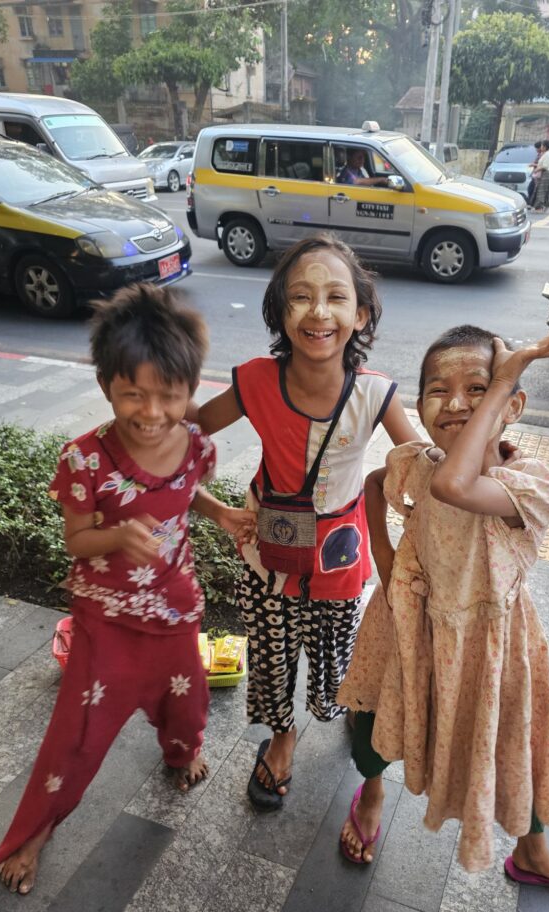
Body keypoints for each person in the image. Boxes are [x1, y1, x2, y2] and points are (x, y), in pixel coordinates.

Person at [0, 283, 256, 895]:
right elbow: (77, 541)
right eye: (132, 394)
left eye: (168, 395)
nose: (151, 411)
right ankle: (34, 832)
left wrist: (222, 516)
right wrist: (117, 537)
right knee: (79, 736)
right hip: (106, 623)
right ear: (106, 385)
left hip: (176, 610)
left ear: (190, 391)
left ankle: (182, 753)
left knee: (186, 705)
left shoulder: (196, 445)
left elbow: (186, 493)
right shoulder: (84, 461)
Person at [337, 317, 549, 900]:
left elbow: (457, 487)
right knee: (371, 725)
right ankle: (372, 793)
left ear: (512, 405)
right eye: (438, 389)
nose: (455, 402)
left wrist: (507, 381)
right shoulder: (418, 463)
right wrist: (389, 573)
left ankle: (532, 851)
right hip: (408, 626)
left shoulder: (527, 484)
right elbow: (372, 490)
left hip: (492, 645)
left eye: (478, 388)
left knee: (516, 741)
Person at [193, 233, 417, 810]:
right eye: (301, 297)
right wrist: (213, 509)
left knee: (333, 660)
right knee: (269, 655)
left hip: (340, 561)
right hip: (265, 555)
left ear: (360, 313)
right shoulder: (255, 381)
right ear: (280, 311)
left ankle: (330, 708)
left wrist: (486, 456)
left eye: (336, 297)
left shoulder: (376, 395)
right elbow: (175, 440)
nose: (319, 312)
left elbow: (425, 472)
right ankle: (282, 736)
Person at [532, 140, 549, 212]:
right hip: (544, 173)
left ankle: (539, 207)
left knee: (542, 191)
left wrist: (536, 170)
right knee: (540, 190)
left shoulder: (548, 155)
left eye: (542, 146)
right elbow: (542, 164)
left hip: (546, 174)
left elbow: (545, 166)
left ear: (545, 147)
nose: (540, 147)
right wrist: (535, 165)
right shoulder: (545, 154)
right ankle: (539, 207)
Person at [526, 140, 542, 208]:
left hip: (538, 175)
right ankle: (531, 203)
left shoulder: (543, 155)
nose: (536, 149)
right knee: (531, 189)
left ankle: (532, 204)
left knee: (532, 189)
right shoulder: (539, 154)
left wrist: (534, 164)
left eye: (537, 148)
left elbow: (542, 164)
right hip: (535, 174)